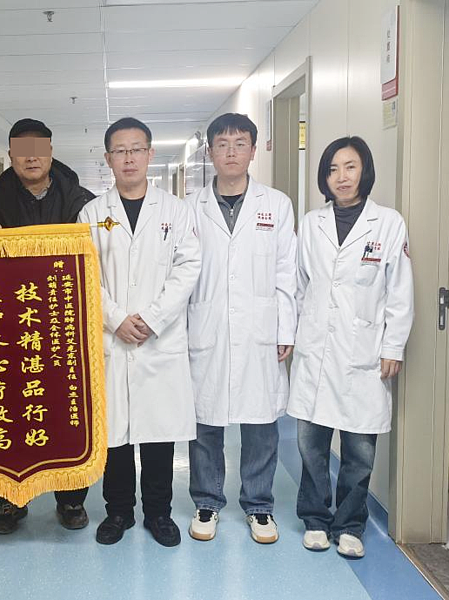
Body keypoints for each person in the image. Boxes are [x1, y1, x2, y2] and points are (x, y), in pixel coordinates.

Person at [0, 118, 95, 534]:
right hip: (9, 327)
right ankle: (10, 500)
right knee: (10, 414)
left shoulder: (83, 203)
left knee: (66, 412)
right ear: (10, 156)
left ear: (51, 152)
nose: (31, 157)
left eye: (39, 148)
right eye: (22, 150)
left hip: (64, 325)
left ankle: (71, 498)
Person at [288, 136, 413, 558]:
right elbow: (299, 285)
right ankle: (315, 519)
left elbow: (399, 290)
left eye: (350, 167)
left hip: (364, 350)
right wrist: (294, 333)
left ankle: (349, 525)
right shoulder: (312, 223)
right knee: (311, 444)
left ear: (365, 171)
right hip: (315, 348)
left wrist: (393, 346)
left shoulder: (389, 223)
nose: (341, 177)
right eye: (332, 169)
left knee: (359, 449)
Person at [79, 117, 202, 547]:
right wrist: (116, 318)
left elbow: (188, 268)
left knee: (158, 434)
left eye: (136, 149)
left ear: (150, 154)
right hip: (112, 337)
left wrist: (152, 318)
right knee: (114, 434)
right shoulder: (92, 214)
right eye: (120, 150)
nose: (128, 158)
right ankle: (118, 512)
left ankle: (159, 513)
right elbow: (84, 275)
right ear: (108, 158)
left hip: (158, 338)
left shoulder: (176, 211)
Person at [186, 113, 297, 544]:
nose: (231, 152)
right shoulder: (190, 208)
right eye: (222, 144)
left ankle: (259, 505)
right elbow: (180, 272)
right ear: (210, 152)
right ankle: (207, 501)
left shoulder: (277, 204)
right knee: (205, 420)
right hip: (206, 325)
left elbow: (287, 271)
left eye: (240, 143)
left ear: (253, 150)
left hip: (259, 328)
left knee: (261, 422)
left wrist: (285, 328)